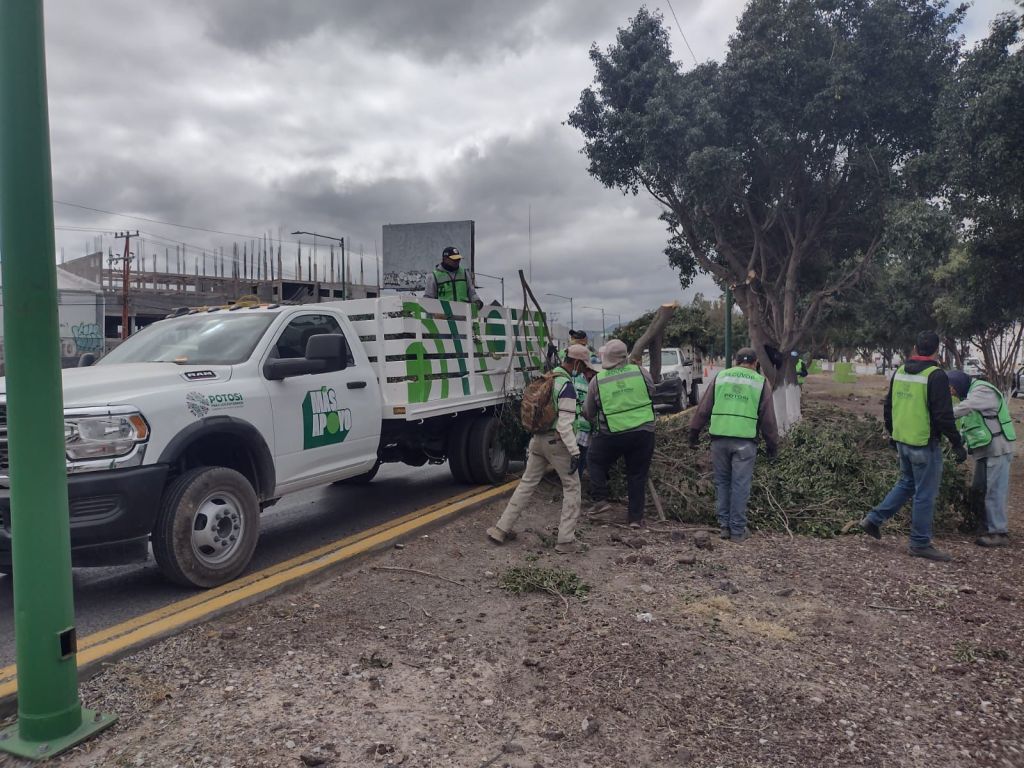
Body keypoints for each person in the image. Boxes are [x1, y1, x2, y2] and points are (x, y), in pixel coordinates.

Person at [859, 331, 967, 561]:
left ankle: (873, 520)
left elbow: (889, 406)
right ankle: (919, 543)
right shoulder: (936, 375)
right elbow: (943, 416)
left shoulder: (899, 372)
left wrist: (892, 434)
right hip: (924, 444)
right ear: (937, 350)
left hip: (903, 441)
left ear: (916, 348)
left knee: (906, 483)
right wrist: (957, 443)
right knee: (924, 494)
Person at [486, 347, 591, 554]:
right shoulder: (566, 386)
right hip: (557, 443)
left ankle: (500, 528)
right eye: (583, 365)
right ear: (577, 364)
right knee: (572, 488)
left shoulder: (548, 378)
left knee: (526, 484)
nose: (583, 370)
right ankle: (566, 541)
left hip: (537, 441)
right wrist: (575, 452)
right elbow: (564, 425)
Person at [687, 347, 779, 542]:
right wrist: (772, 445)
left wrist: (694, 432)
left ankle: (724, 527)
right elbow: (768, 418)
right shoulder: (760, 382)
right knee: (740, 485)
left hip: (720, 439)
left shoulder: (721, 377)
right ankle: (737, 530)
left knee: (722, 482)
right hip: (745, 442)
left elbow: (704, 407)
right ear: (755, 363)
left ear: (736, 361)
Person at [584, 339, 656, 528]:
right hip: (643, 432)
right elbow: (652, 391)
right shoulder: (641, 372)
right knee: (637, 474)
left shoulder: (597, 381)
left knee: (594, 460)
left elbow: (588, 412)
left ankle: (600, 500)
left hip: (612, 434)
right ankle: (635, 519)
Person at [948, 370, 1015, 547]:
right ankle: (983, 525)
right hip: (984, 449)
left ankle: (998, 532)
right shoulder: (968, 395)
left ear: (959, 383)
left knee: (994, 490)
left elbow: (964, 409)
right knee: (978, 488)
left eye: (951, 387)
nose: (951, 391)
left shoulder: (982, 390)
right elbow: (968, 424)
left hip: (998, 448)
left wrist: (940, 414)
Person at [568, 345, 599, 480]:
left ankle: (576, 483)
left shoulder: (592, 383)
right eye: (590, 372)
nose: (591, 374)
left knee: (581, 460)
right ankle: (575, 484)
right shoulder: (576, 381)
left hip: (585, 429)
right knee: (577, 459)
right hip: (576, 427)